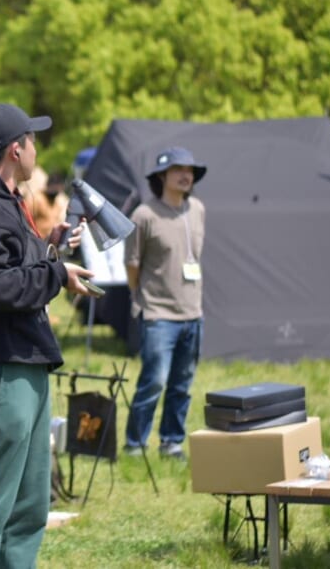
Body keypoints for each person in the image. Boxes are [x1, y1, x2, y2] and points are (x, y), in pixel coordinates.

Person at [0, 103, 96, 568]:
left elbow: (12, 267)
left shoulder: (4, 202)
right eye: (33, 140)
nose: (36, 148)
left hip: (22, 365)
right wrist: (57, 274)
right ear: (16, 149)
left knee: (29, 507)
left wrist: (50, 248)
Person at [123, 146, 207, 460]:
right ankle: (134, 445)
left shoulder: (197, 209)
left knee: (182, 385)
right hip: (157, 313)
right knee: (154, 381)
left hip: (193, 313)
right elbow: (132, 264)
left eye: (190, 170)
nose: (186, 175)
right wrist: (142, 299)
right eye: (178, 169)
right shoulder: (144, 215)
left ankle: (171, 442)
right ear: (162, 176)